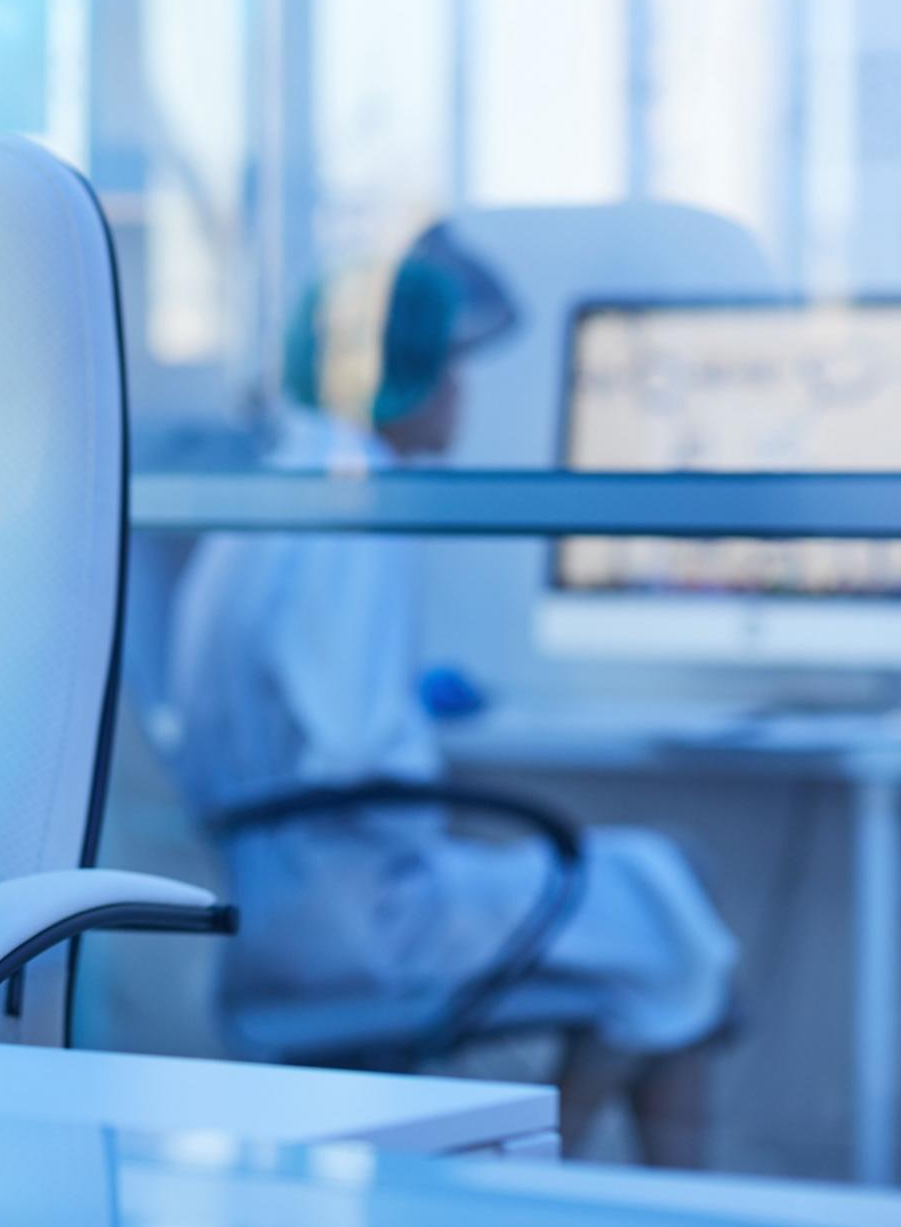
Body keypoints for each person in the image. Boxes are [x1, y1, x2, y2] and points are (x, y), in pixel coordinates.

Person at [165, 226, 738, 1165]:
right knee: (669, 890)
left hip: (273, 906)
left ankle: (557, 1173)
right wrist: (431, 795)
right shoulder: (358, 500)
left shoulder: (279, 487)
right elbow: (356, 755)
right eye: (450, 368)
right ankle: (599, 1187)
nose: (461, 391)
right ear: (405, 373)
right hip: (355, 921)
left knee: (651, 906)